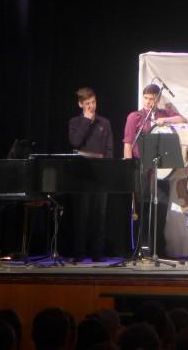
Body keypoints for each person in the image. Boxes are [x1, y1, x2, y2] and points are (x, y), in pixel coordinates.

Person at [122, 83, 187, 258]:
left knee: (160, 208)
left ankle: (158, 249)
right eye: (146, 98)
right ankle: (141, 248)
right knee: (142, 208)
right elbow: (128, 143)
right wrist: (129, 168)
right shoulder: (135, 117)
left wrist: (166, 120)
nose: (148, 102)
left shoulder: (162, 114)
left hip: (161, 168)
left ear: (157, 100)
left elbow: (182, 119)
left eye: (152, 99)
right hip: (141, 167)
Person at [68, 86, 114, 262]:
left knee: (99, 215)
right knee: (81, 214)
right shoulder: (75, 122)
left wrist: (107, 169)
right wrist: (86, 121)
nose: (92, 106)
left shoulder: (104, 123)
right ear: (80, 104)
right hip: (82, 173)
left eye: (93, 102)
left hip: (100, 174)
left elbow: (109, 148)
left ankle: (97, 252)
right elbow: (75, 142)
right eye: (87, 103)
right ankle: (79, 252)